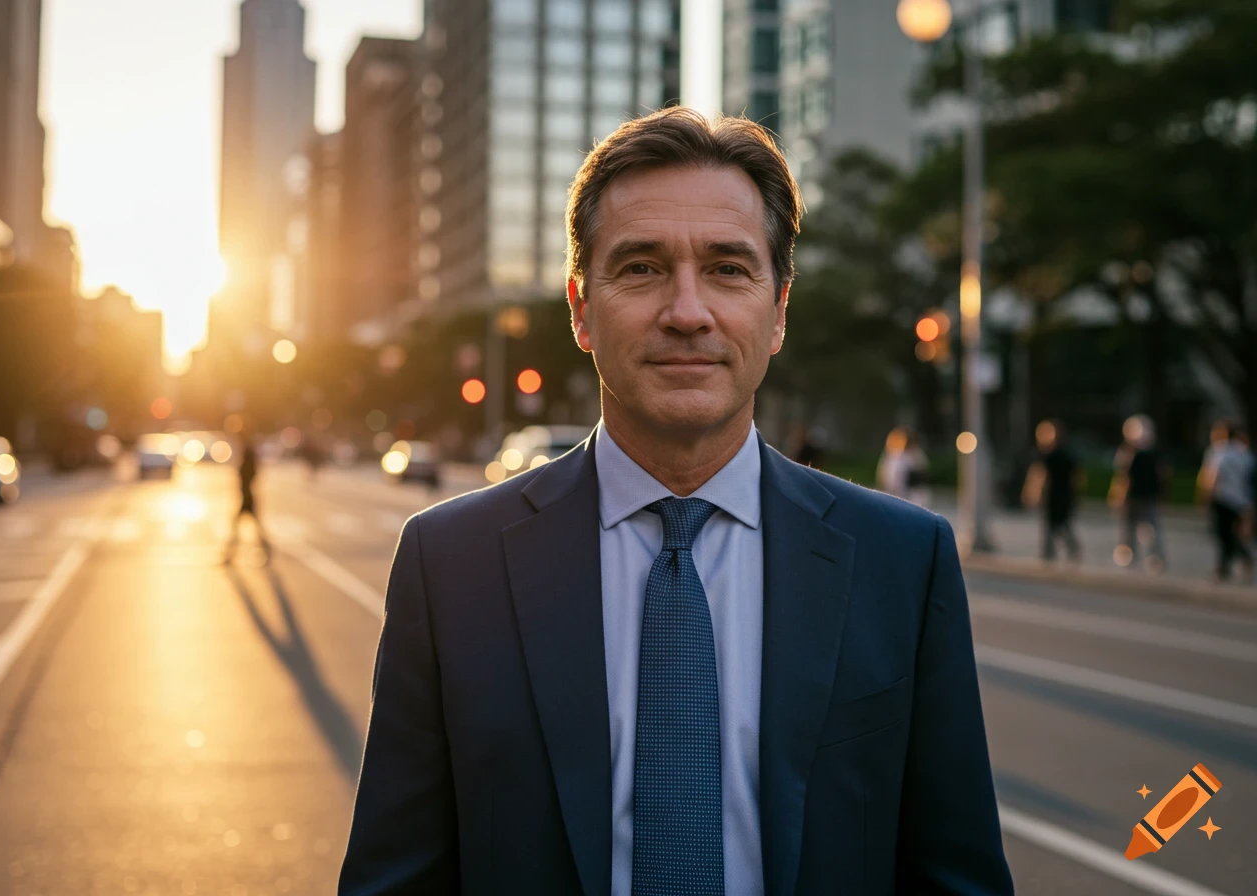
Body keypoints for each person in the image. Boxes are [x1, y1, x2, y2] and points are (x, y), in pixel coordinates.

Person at [339, 109, 1012, 895]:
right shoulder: (449, 563)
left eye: (728, 269)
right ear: (581, 309)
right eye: (641, 268)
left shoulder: (903, 561)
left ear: (779, 311)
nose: (687, 311)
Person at [1108, 414, 1168, 573]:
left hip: (1134, 496)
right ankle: (1154, 557)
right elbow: (1163, 474)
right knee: (1149, 527)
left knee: (1130, 526)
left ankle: (1128, 554)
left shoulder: (1129, 452)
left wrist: (1119, 495)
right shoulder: (1155, 452)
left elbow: (1124, 476)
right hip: (1149, 495)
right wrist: (1163, 493)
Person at [1197, 419, 1254, 583]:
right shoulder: (1244, 452)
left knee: (1222, 533)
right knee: (1232, 533)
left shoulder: (1218, 451)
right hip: (1242, 500)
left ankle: (1228, 564)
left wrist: (1205, 497)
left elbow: (1212, 475)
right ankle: (1228, 564)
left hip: (1222, 498)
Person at [1022, 419, 1083, 562]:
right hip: (1062, 495)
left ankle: (1051, 552)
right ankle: (1053, 551)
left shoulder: (1048, 456)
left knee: (1056, 524)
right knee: (1057, 524)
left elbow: (1040, 476)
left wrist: (1032, 493)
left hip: (1055, 496)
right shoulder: (1067, 454)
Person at [222, 432, 271, 565]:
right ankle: (230, 555)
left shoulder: (248, 454)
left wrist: (246, 489)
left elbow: (250, 474)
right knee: (244, 527)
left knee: (239, 527)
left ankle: (229, 555)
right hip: (246, 495)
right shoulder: (248, 452)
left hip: (247, 496)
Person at [875, 425, 931, 507]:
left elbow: (922, 473)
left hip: (913, 497)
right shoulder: (891, 456)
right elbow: (884, 477)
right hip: (893, 495)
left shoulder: (916, 454)